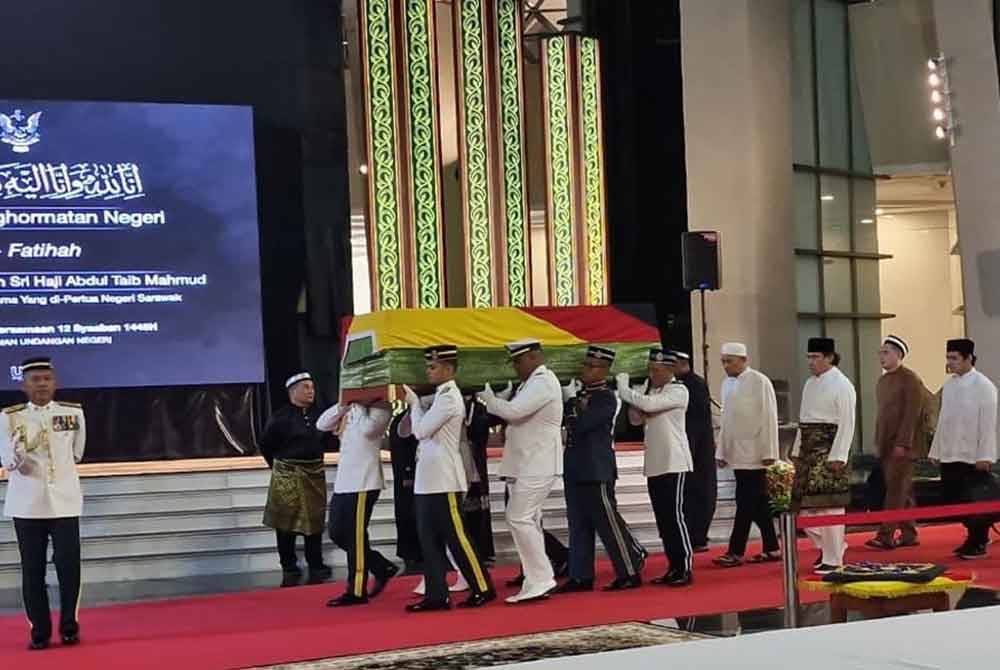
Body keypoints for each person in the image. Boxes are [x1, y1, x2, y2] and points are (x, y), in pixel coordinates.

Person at [0, 357, 85, 651]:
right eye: (35, 380)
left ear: (55, 382)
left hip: (64, 502)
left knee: (69, 567)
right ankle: (40, 631)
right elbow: (7, 462)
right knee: (32, 570)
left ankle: (69, 627)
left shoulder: (72, 414)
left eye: (46, 379)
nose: (42, 385)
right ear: (24, 385)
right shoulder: (9, 418)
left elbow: (77, 453)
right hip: (27, 504)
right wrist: (17, 456)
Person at [403, 345, 495, 612]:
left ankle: (482, 586)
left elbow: (420, 431)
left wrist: (414, 404)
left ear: (449, 369)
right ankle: (436, 594)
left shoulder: (448, 398)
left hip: (444, 479)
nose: (428, 371)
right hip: (428, 479)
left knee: (457, 538)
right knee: (428, 540)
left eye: (433, 367)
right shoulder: (439, 397)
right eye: (428, 366)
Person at [479, 339, 564, 603]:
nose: (515, 366)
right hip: (527, 463)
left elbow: (515, 412)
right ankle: (535, 577)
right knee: (527, 520)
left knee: (519, 517)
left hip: (537, 463)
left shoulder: (543, 381)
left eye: (518, 360)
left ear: (534, 357)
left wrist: (490, 399)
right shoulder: (531, 383)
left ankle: (541, 577)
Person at [554, 345, 642, 593]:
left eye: (591, 366)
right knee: (578, 524)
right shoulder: (584, 395)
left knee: (608, 524)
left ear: (604, 370)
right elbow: (566, 422)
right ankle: (580, 575)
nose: (586, 370)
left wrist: (570, 400)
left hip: (596, 468)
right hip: (575, 467)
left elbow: (582, 425)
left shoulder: (605, 397)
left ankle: (629, 571)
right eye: (585, 365)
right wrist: (572, 401)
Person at [617, 349, 694, 586]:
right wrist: (635, 397)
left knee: (675, 518)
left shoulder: (678, 390)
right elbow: (636, 419)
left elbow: (649, 406)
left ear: (670, 370)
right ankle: (673, 566)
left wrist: (625, 390)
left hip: (674, 462)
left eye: (657, 370)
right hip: (655, 464)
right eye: (650, 370)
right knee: (663, 520)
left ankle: (684, 567)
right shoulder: (654, 392)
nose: (652, 374)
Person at [259, 372, 333, 587]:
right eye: (306, 387)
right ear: (293, 392)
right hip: (287, 473)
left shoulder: (320, 415)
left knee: (315, 520)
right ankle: (289, 565)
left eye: (312, 387)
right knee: (285, 521)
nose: (311, 391)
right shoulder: (280, 417)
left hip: (314, 473)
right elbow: (266, 444)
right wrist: (278, 467)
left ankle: (316, 563)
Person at [321, 399, 397, 606]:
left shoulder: (382, 407)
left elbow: (368, 431)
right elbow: (322, 424)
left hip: (364, 481)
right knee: (337, 532)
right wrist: (344, 405)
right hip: (344, 481)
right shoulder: (350, 407)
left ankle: (356, 590)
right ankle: (380, 566)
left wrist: (362, 405)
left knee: (355, 537)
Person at [711, 343, 781, 568]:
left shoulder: (760, 381)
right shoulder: (726, 384)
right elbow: (726, 422)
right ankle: (772, 548)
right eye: (723, 361)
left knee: (745, 502)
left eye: (729, 361)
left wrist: (770, 451)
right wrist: (722, 451)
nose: (725, 366)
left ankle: (735, 551)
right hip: (736, 453)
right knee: (758, 502)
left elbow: (769, 417)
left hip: (756, 453)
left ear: (743, 359)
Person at [929, 338, 998, 560]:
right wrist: (936, 451)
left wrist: (985, 455)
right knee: (952, 499)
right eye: (948, 358)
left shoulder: (984, 386)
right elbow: (943, 420)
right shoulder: (949, 385)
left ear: (969, 358)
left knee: (974, 500)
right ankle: (974, 536)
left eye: (954, 358)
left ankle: (978, 540)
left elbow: (989, 425)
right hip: (950, 453)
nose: (950, 363)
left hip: (972, 455)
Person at [792, 338, 856, 574]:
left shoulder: (843, 384)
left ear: (829, 357)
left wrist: (839, 455)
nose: (810, 362)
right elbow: (804, 419)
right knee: (803, 507)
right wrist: (797, 449)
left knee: (830, 505)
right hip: (808, 449)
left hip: (830, 448)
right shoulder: (809, 383)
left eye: (815, 357)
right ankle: (833, 546)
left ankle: (833, 557)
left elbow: (847, 423)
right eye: (809, 357)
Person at [866, 335, 925, 550]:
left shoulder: (910, 379)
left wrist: (903, 443)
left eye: (886, 352)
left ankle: (886, 535)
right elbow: (883, 416)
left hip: (902, 447)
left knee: (895, 491)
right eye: (880, 353)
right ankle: (909, 533)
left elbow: (912, 414)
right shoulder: (882, 381)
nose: (881, 357)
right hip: (886, 445)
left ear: (899, 355)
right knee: (902, 490)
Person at [674, 351, 717, 552]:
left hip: (698, 450)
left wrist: (688, 448)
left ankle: (698, 535)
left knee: (700, 492)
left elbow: (695, 421)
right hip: (691, 449)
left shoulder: (695, 385)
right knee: (690, 494)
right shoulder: (681, 385)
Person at [389, 408, 423, 575]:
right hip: (408, 476)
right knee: (408, 514)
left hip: (420, 476)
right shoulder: (404, 419)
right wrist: (408, 472)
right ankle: (411, 553)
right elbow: (404, 447)